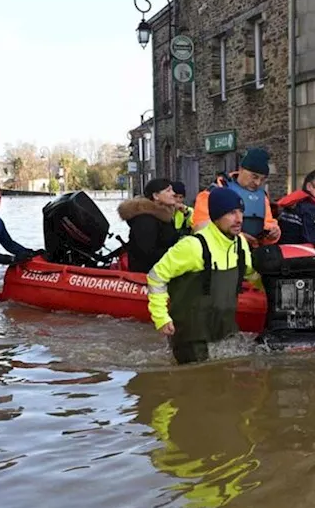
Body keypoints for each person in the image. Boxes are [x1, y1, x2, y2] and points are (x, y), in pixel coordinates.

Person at [147, 187, 259, 364]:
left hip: (224, 331)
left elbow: (252, 276)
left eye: (241, 212)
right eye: (231, 213)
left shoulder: (240, 244)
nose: (239, 219)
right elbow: (156, 276)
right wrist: (161, 317)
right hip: (191, 336)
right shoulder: (193, 246)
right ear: (216, 217)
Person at [192, 147, 280, 247]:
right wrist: (238, 237)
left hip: (253, 255)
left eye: (262, 179)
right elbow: (200, 228)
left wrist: (273, 233)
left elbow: (268, 223)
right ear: (241, 169)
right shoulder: (214, 192)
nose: (257, 183)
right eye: (254, 176)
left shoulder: (262, 197)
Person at [117, 178, 182, 273]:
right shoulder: (145, 220)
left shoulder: (164, 216)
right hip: (149, 277)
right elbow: (146, 255)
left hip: (164, 270)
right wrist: (178, 253)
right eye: (168, 191)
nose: (173, 193)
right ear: (156, 196)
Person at [275, 169, 315, 244]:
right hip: (300, 253)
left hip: (284, 250)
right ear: (309, 187)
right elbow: (312, 241)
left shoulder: (294, 204)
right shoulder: (310, 209)